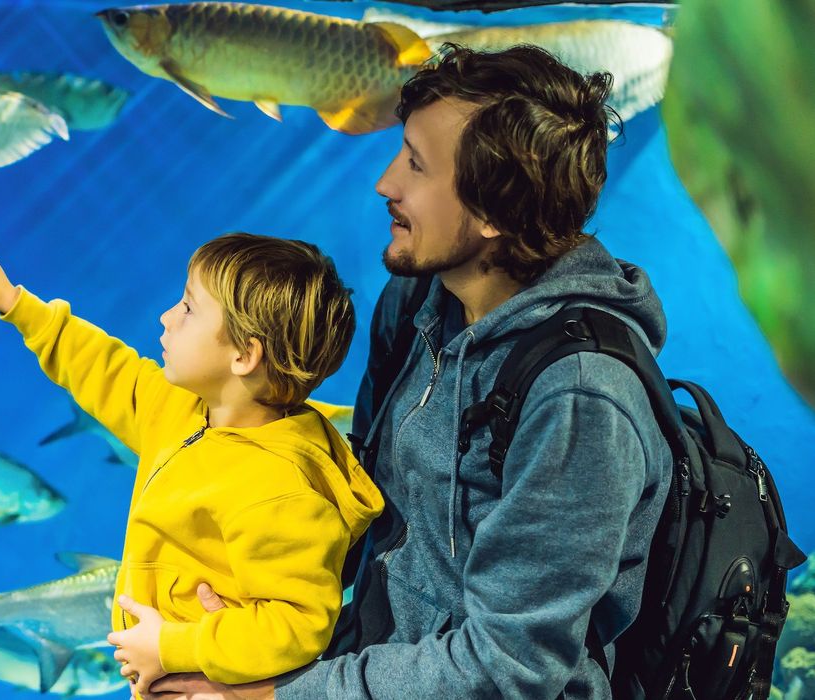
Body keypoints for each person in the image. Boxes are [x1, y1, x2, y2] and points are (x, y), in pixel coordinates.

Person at [149, 44, 673, 700]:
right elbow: (367, 507)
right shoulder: (420, 300)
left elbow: (513, 667)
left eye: (417, 167)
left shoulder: (579, 399)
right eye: (402, 151)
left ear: (494, 216)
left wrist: (269, 696)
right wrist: (255, 623)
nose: (385, 183)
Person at [0, 230, 384, 696]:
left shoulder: (279, 486)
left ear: (244, 355)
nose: (167, 317)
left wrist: (174, 645)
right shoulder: (185, 410)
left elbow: (296, 624)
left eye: (189, 308)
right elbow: (106, 370)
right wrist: (15, 303)